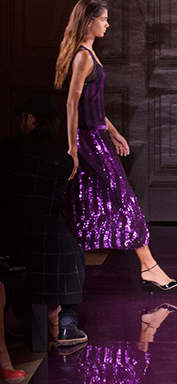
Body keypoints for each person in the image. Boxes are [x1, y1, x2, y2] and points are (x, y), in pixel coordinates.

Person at [55, 0, 177, 291]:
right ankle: (148, 267)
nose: (107, 24)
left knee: (93, 201)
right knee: (120, 199)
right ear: (89, 21)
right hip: (88, 141)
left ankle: (146, 267)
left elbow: (93, 103)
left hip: (97, 136)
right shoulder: (83, 57)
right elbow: (72, 105)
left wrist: (112, 132)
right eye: (103, 19)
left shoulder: (90, 54)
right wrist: (73, 149)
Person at [9, 97, 88, 348]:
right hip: (47, 233)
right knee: (74, 253)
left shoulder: (8, 151)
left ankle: (28, 320)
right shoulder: (62, 160)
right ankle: (66, 324)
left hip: (12, 233)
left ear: (29, 118)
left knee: (19, 261)